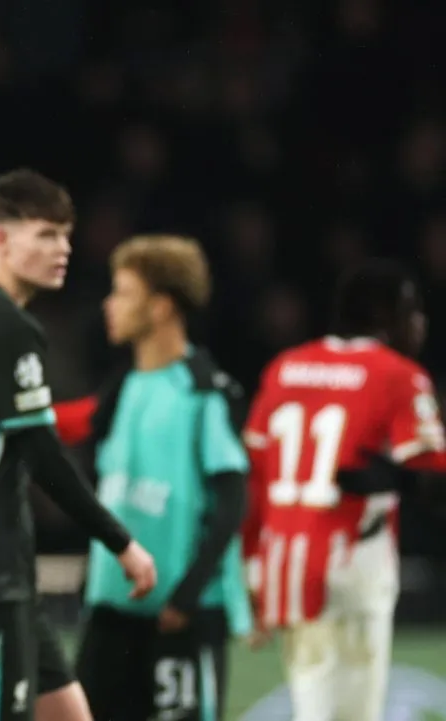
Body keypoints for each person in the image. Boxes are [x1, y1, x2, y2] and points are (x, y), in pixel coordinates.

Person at [0, 168, 158, 721]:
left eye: (65, 234)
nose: (63, 249)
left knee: (68, 713)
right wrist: (122, 543)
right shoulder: (9, 328)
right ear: (0, 238)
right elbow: (44, 457)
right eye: (45, 235)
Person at [53, 234, 252, 721]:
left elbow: (231, 502)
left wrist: (187, 596)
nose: (109, 304)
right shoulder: (121, 388)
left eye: (122, 291)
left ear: (161, 306)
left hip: (179, 615)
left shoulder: (204, 390)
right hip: (110, 610)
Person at [241, 260, 446, 721]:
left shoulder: (285, 367)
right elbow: (433, 472)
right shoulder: (398, 374)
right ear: (387, 315)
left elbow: (252, 476)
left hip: (285, 562)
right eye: (412, 311)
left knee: (313, 702)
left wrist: (250, 569)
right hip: (352, 558)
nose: (420, 323)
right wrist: (400, 478)